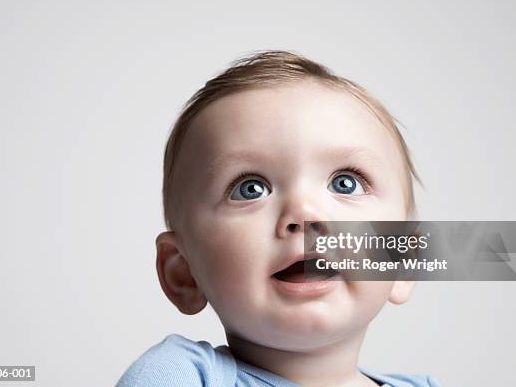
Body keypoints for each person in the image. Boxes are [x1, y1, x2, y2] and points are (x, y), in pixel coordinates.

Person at [117, 50, 439, 386]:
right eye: (250, 188)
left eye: (346, 183)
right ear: (184, 273)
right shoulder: (181, 375)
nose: (303, 213)